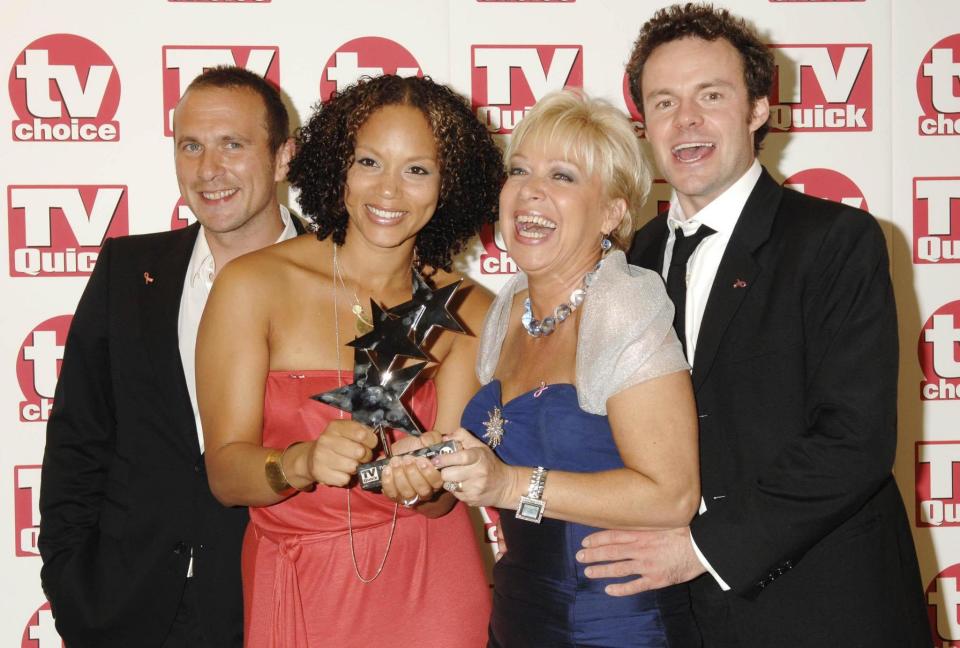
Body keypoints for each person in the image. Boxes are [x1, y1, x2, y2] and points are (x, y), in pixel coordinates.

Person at [576, 4, 931, 646]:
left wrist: (702, 550)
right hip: (680, 618)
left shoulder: (836, 242)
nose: (686, 120)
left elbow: (854, 440)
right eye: (664, 102)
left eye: (710, 95)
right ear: (643, 125)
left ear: (757, 108)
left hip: (828, 610)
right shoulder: (626, 264)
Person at [195, 74, 504, 648]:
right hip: (301, 586)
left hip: (431, 590)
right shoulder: (253, 285)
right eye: (369, 162)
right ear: (338, 168)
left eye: (418, 169)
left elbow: (441, 503)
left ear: (448, 185)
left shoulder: (471, 309)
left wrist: (423, 484)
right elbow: (224, 474)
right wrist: (301, 462)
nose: (389, 191)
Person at [37, 66, 303, 648]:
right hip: (128, 610)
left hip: (277, 605)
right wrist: (71, 585)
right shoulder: (129, 273)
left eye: (233, 144)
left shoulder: (338, 280)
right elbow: (79, 439)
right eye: (191, 146)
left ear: (283, 157)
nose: (210, 170)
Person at [433, 90, 701, 647]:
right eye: (520, 170)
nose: (530, 190)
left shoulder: (624, 302)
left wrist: (509, 486)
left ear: (612, 212)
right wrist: (432, 461)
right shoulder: (508, 307)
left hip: (616, 625)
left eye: (562, 176)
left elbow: (671, 495)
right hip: (519, 615)